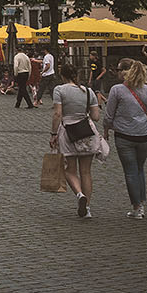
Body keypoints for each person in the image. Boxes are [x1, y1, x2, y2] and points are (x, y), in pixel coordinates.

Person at [102, 58, 147, 219]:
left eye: (118, 70)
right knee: (139, 168)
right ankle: (141, 202)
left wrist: (106, 130)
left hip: (124, 136)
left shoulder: (117, 90)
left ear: (124, 72)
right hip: (145, 136)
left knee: (130, 171)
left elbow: (109, 115)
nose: (117, 73)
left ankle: (137, 207)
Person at [50, 62, 104, 219]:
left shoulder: (59, 90)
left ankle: (80, 195)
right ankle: (87, 208)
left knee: (69, 169)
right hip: (86, 132)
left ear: (62, 75)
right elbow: (96, 117)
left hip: (68, 132)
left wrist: (53, 133)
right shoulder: (88, 92)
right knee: (86, 171)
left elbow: (57, 114)